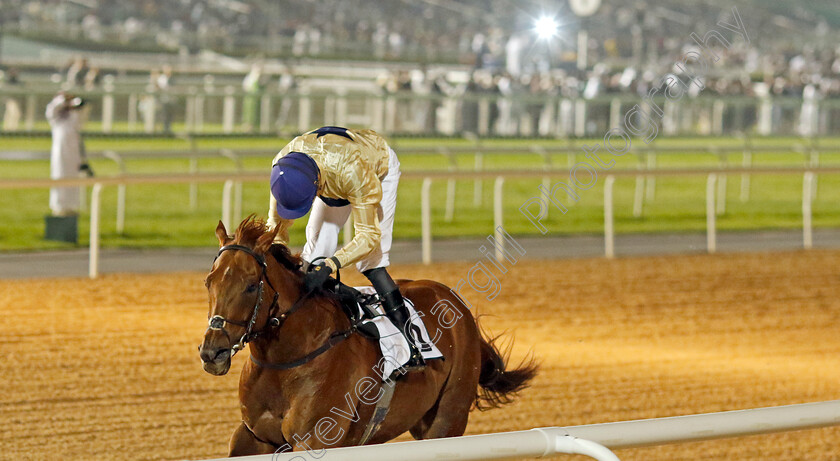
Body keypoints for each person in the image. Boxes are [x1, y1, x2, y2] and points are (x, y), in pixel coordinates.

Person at [267, 126, 425, 373]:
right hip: (328, 170)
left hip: (372, 169)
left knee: (371, 262)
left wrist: (333, 264)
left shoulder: (353, 171)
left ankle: (411, 343)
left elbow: (368, 236)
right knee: (316, 250)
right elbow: (275, 227)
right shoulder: (282, 166)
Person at [46, 92, 91, 216]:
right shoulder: (56, 120)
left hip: (74, 155)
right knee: (60, 178)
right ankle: (59, 207)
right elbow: (52, 109)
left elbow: (82, 110)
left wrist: (75, 105)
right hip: (60, 155)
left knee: (73, 181)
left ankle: (70, 207)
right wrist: (63, 99)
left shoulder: (73, 119)